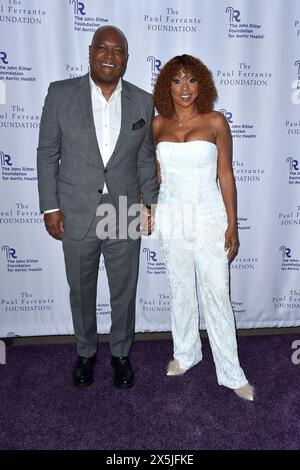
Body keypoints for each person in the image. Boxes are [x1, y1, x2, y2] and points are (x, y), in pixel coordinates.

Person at [37, 26, 159, 389]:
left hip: (124, 209)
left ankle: (121, 354)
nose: (109, 55)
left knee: (124, 289)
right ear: (90, 52)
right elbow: (47, 154)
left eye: (117, 49)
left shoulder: (142, 100)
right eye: (102, 48)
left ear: (126, 57)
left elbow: (144, 159)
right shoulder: (60, 94)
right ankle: (86, 352)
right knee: (81, 288)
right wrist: (49, 207)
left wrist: (149, 203)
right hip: (74, 209)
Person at [152, 55, 254, 401]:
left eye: (192, 80)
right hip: (171, 215)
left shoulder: (215, 122)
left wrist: (232, 223)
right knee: (179, 289)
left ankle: (230, 372)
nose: (184, 88)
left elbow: (226, 174)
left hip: (209, 215)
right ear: (168, 85)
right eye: (177, 80)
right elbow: (155, 174)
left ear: (202, 86)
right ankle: (186, 353)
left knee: (216, 295)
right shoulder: (157, 125)